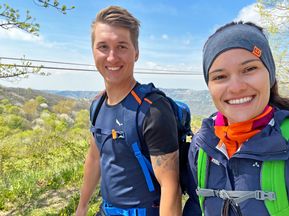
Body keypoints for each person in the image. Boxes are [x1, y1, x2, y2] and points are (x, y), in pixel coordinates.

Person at [76, 6, 181, 216]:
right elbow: (95, 157)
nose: (112, 57)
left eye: (122, 46)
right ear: (93, 51)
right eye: (103, 47)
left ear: (137, 52)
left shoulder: (152, 110)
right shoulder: (98, 105)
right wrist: (82, 207)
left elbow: (171, 187)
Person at [184, 21, 289, 216]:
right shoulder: (202, 145)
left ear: (270, 74)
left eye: (249, 69)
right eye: (220, 76)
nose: (236, 87)